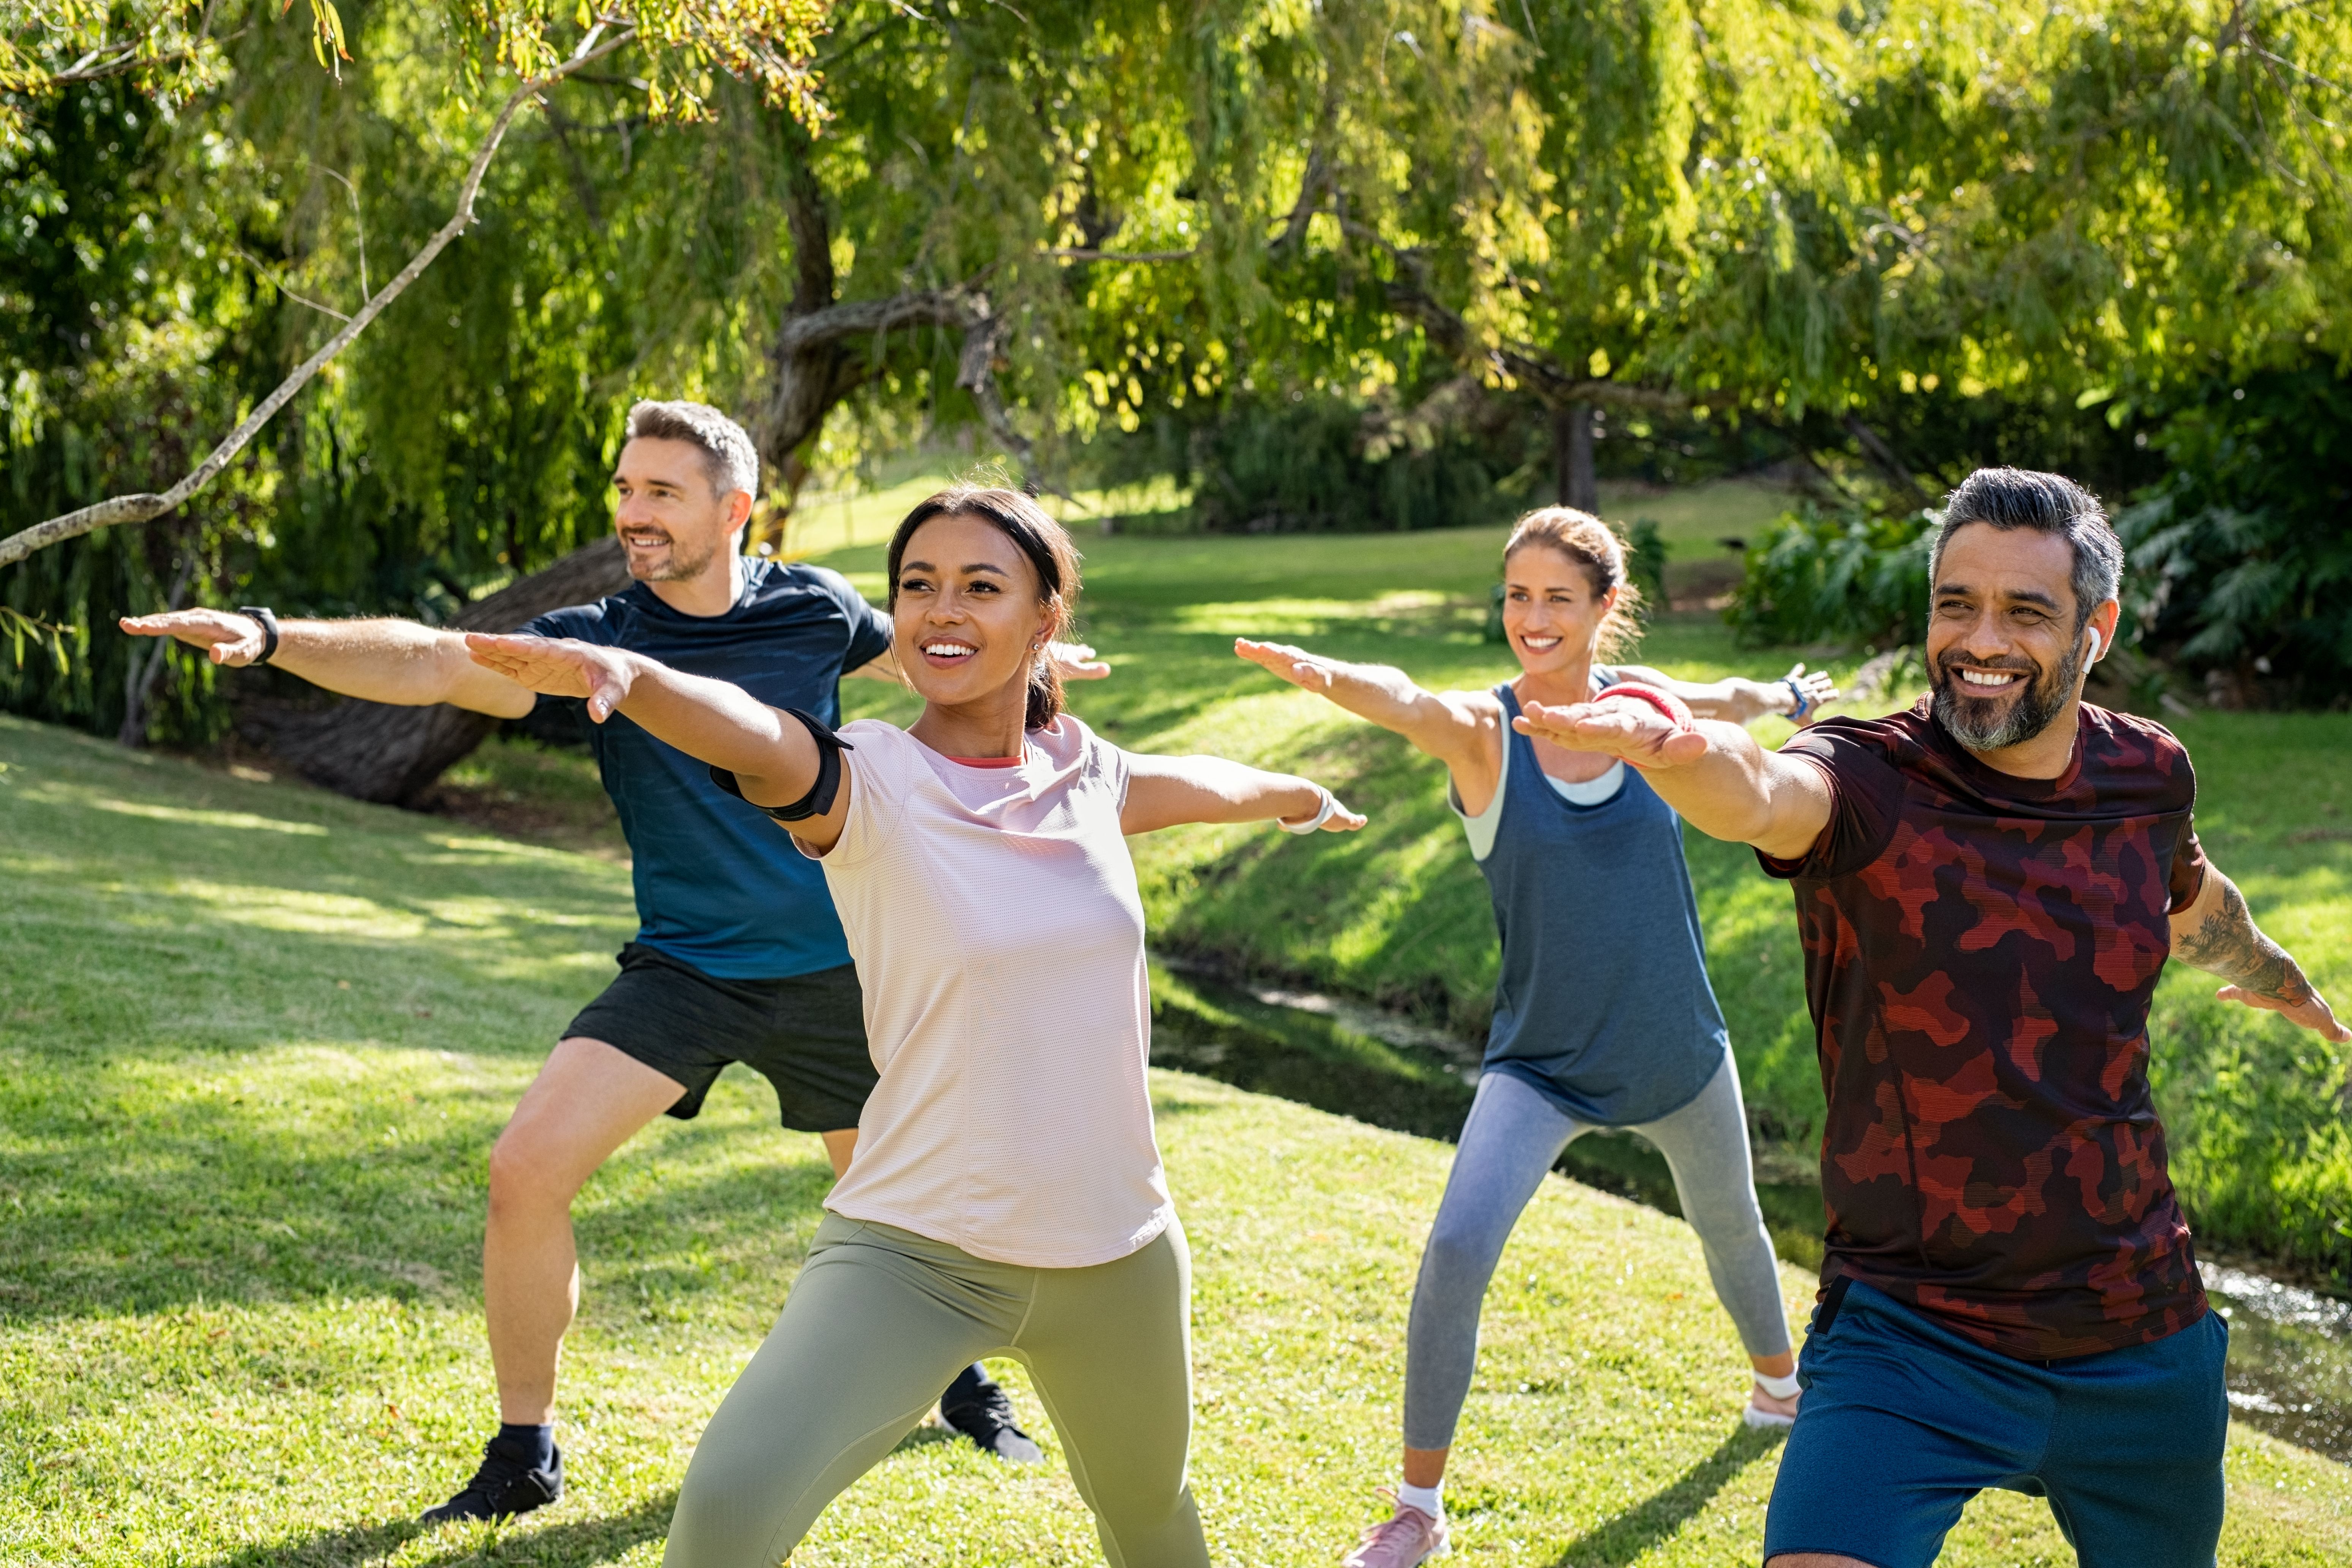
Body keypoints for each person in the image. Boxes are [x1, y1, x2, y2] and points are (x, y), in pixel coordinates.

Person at [120, 402, 1110, 1522]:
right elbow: (440, 662)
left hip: (844, 968)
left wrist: (1038, 654)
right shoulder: (594, 638)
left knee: (902, 1199)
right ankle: (525, 1453)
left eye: (661, 494)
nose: (633, 514)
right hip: (686, 970)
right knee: (524, 1171)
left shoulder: (815, 607)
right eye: (626, 491)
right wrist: (271, 635)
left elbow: (919, 651)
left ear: (733, 510)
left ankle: (965, 1386)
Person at [463, 482, 1365, 1567]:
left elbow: (1201, 784)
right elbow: (757, 734)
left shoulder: (1087, 772)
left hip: (1116, 1252)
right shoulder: (869, 781)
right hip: (916, 1254)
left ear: (1045, 618)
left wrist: (1297, 797)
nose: (942, 610)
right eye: (918, 586)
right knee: (729, 1514)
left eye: (981, 587)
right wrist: (637, 677)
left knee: (1151, 1521)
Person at [1511, 468, 2348, 1568]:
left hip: (2138, 1340)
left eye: (2025, 612)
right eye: (1957, 604)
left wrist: (2282, 979)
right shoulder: (1871, 779)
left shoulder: (2147, 773)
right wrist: (1677, 748)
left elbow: (2191, 900)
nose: (1980, 640)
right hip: (1910, 1338)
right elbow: (1763, 792)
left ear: (2095, 631)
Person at [1233, 507, 1838, 1568]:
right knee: (1458, 1247)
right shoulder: (1486, 734)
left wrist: (1786, 701)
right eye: (1518, 595)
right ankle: (1417, 1509)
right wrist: (1331, 677)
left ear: (1607, 607)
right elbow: (1409, 699)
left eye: (1559, 597)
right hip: (1541, 1064)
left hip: (1675, 1047)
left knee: (1734, 1228)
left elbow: (1725, 700)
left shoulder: (1647, 706)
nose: (1534, 616)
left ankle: (1779, 1389)